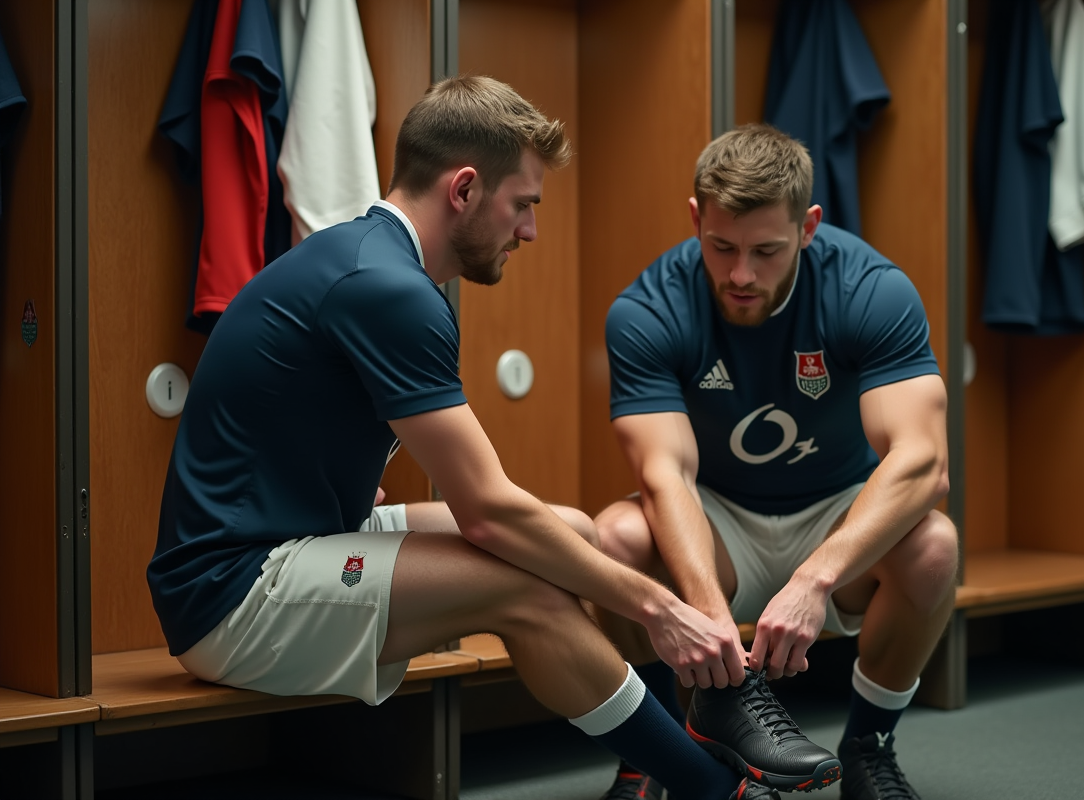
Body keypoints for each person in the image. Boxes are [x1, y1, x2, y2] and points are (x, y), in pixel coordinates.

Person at [145, 76, 813, 800]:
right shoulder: (387, 288)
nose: (529, 231)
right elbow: (487, 513)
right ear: (463, 188)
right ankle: (710, 787)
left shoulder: (375, 264)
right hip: (233, 591)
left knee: (574, 535)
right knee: (523, 584)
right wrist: (662, 610)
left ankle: (676, 743)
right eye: (522, 204)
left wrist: (326, 475)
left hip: (308, 530)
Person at [592, 123, 957, 800]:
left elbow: (923, 463)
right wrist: (711, 630)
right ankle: (657, 746)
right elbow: (664, 472)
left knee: (934, 546)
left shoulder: (870, 290)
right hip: (718, 515)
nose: (740, 274)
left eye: (767, 251)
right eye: (722, 246)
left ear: (809, 227)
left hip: (832, 510)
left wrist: (816, 579)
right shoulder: (649, 308)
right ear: (696, 216)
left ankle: (868, 748)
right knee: (613, 538)